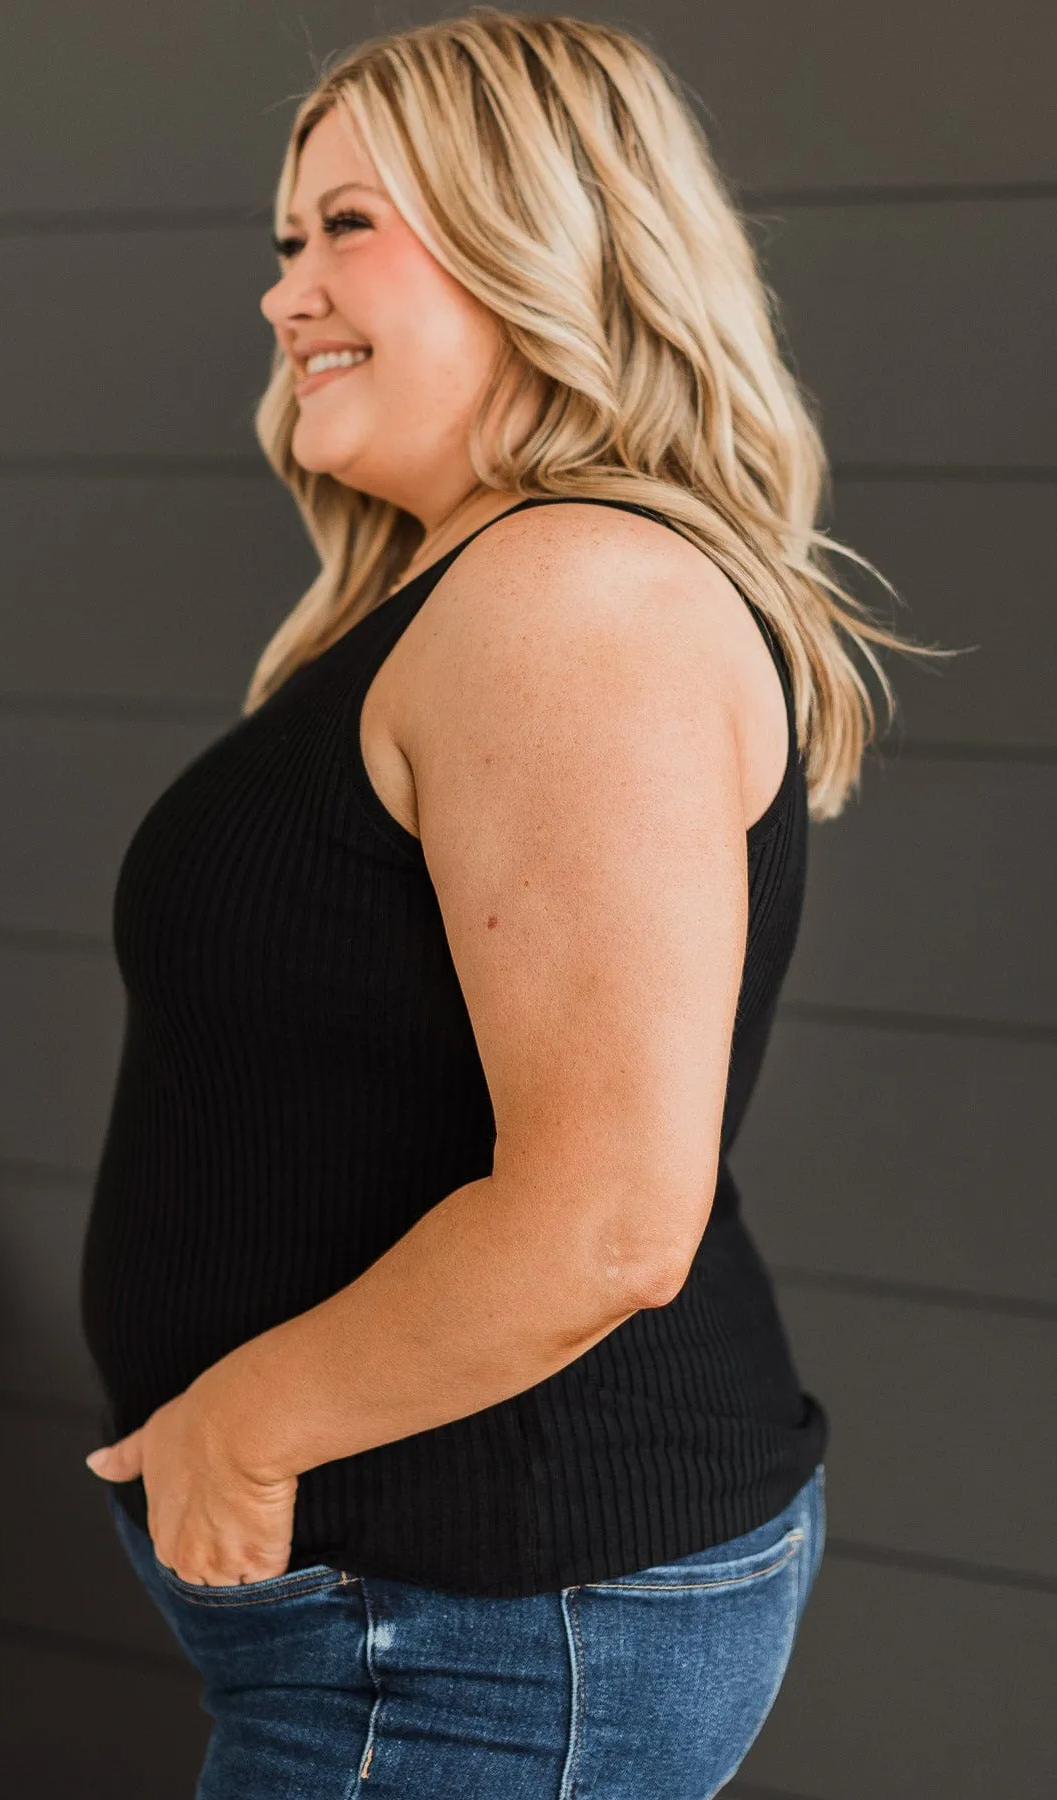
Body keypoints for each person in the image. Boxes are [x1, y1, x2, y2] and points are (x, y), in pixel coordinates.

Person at [78, 10, 944, 1796]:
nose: (283, 292)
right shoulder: (477, 587)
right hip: (430, 1614)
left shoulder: (575, 600)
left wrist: (245, 1432)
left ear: (539, 234)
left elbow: (615, 1214)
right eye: (284, 242)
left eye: (346, 227)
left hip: (483, 1625)